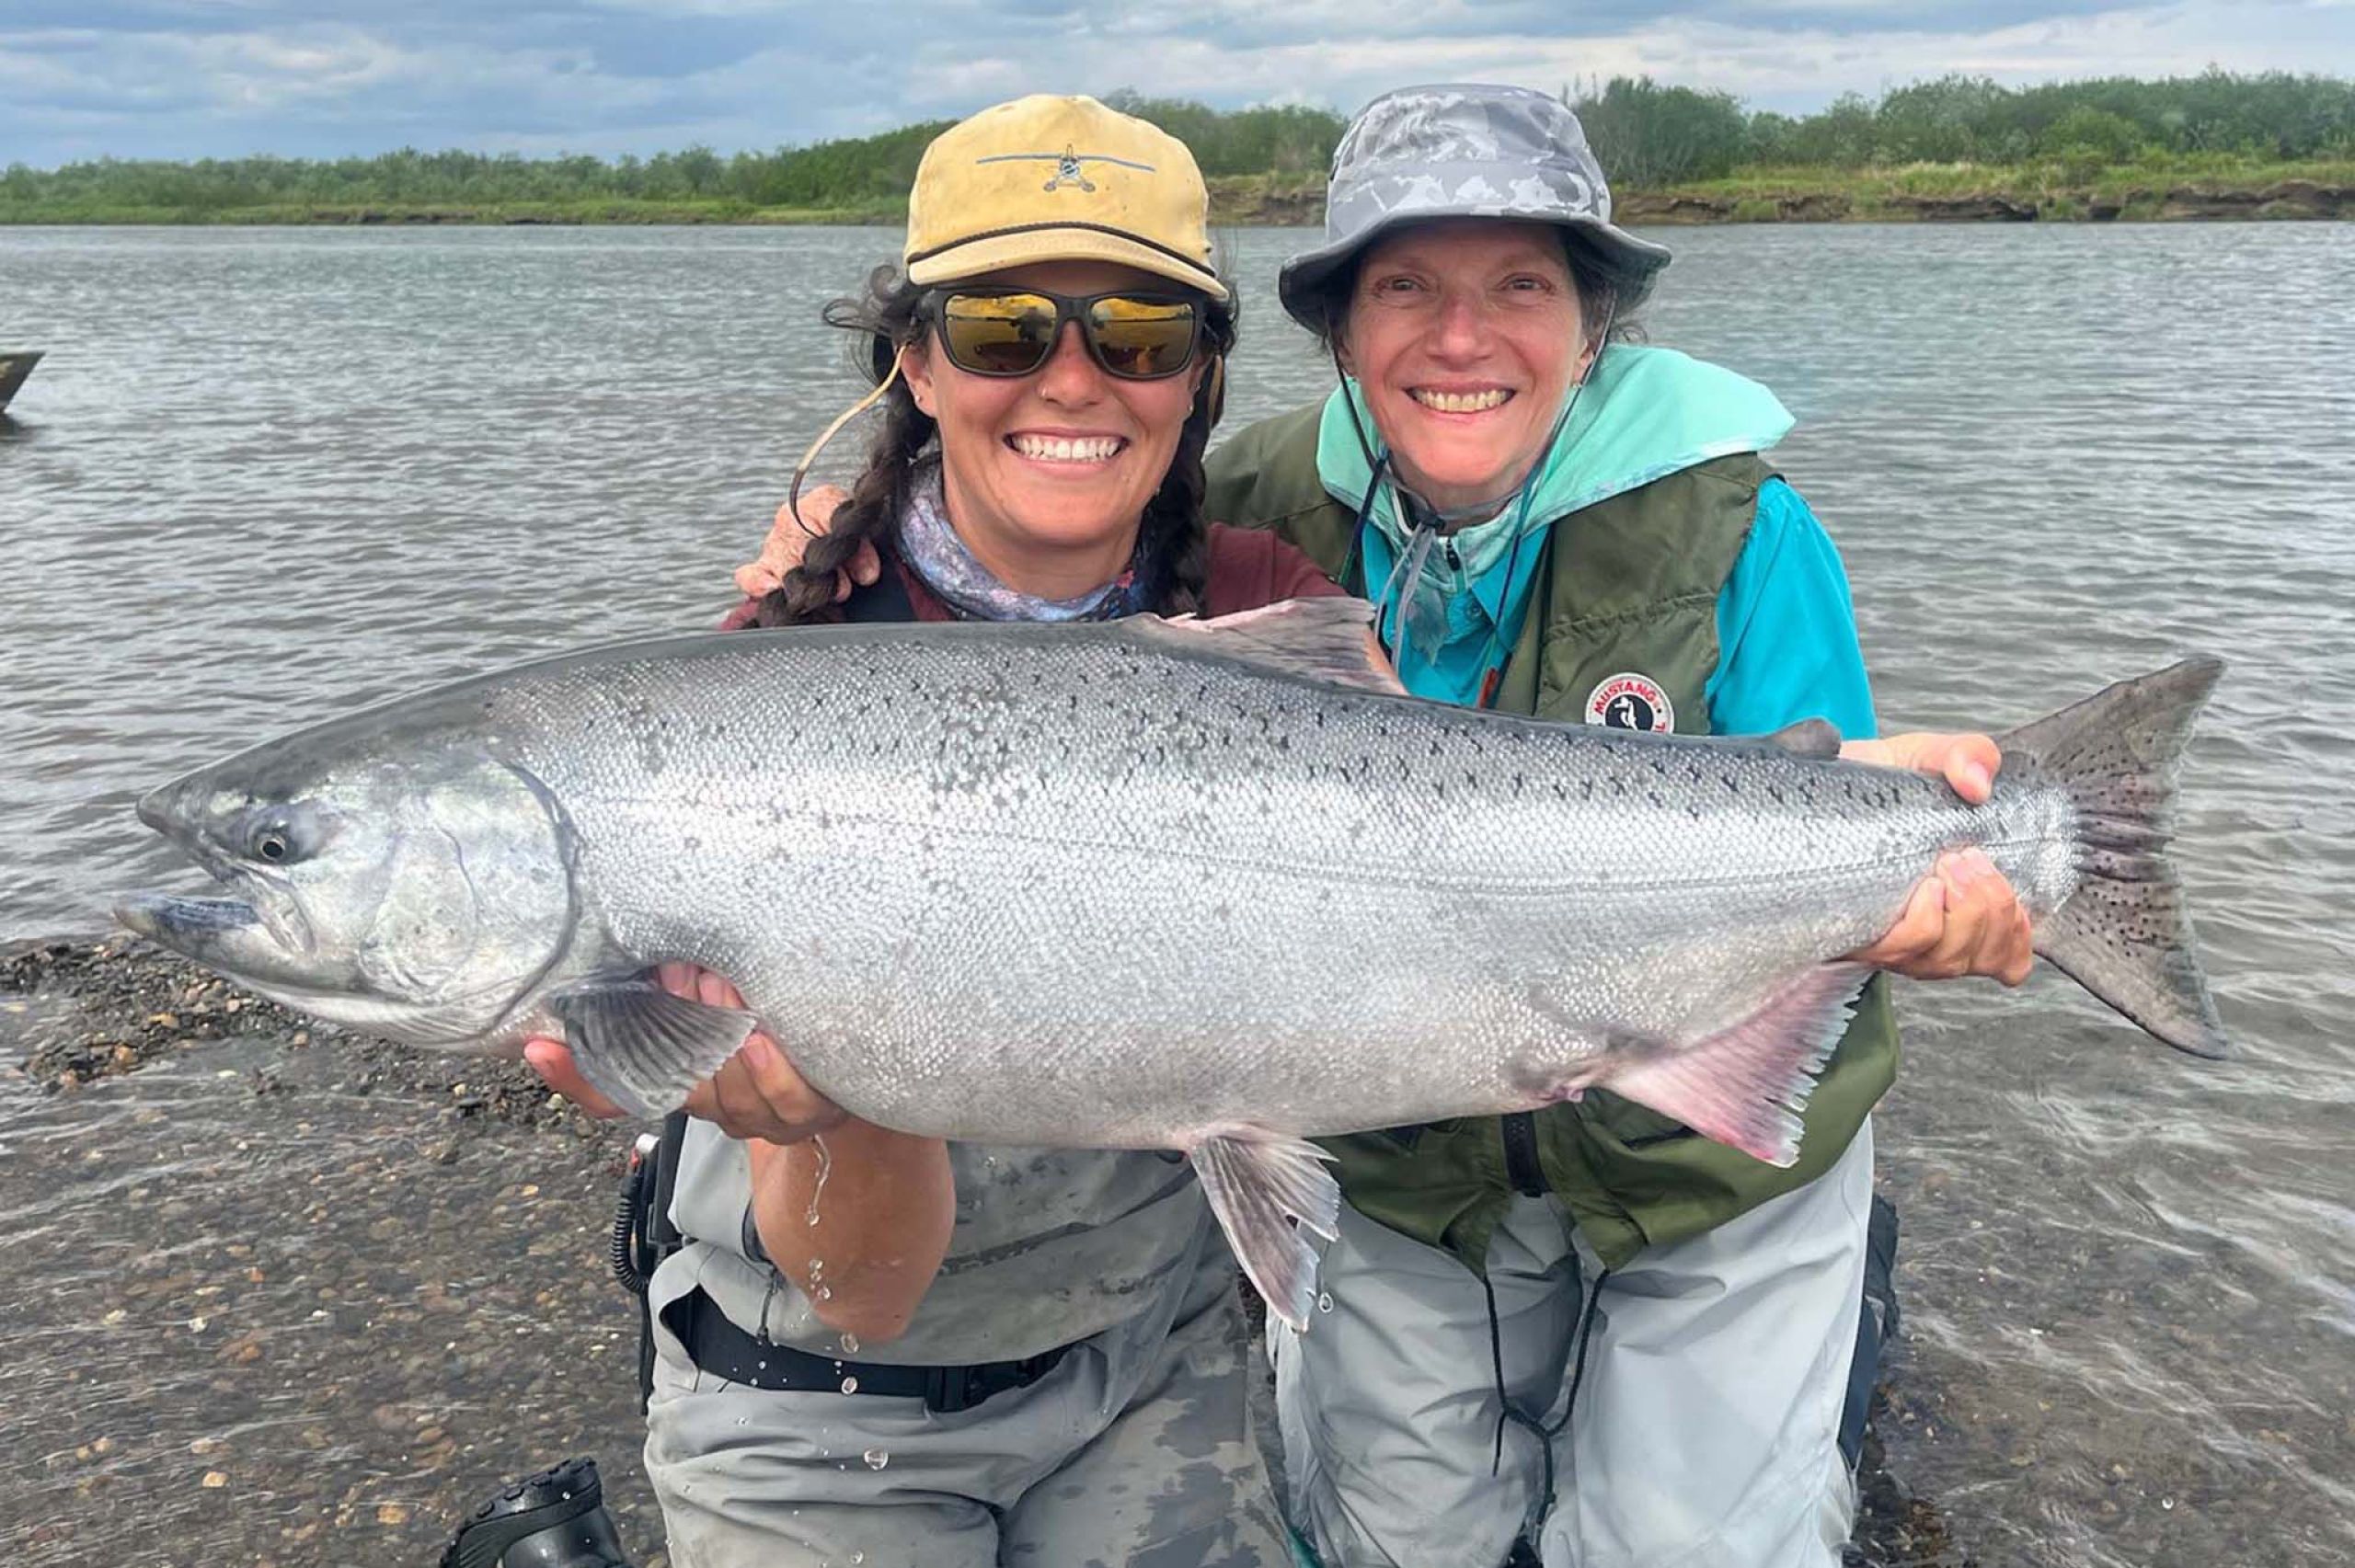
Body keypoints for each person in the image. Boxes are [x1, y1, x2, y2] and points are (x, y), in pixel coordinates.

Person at [741, 85, 2032, 1568]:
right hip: (1420, 1174)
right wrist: (828, 559)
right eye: (1406, 286)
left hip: (1709, 1155)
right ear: (1340, 329)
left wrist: (1942, 848)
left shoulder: (1740, 521)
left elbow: (1805, 789)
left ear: (1593, 320)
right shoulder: (1244, 505)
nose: (1461, 337)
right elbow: (1035, 515)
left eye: (1521, 286)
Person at [529, 94, 1330, 1568]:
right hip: (817, 1399)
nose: (1075, 379)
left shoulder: (1257, 599)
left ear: (1202, 375)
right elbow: (864, 1288)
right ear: (916, 358)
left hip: (1149, 1360)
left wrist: (1853, 782)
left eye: (1140, 334)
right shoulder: (782, 657)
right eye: (1009, 329)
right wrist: (819, 1105)